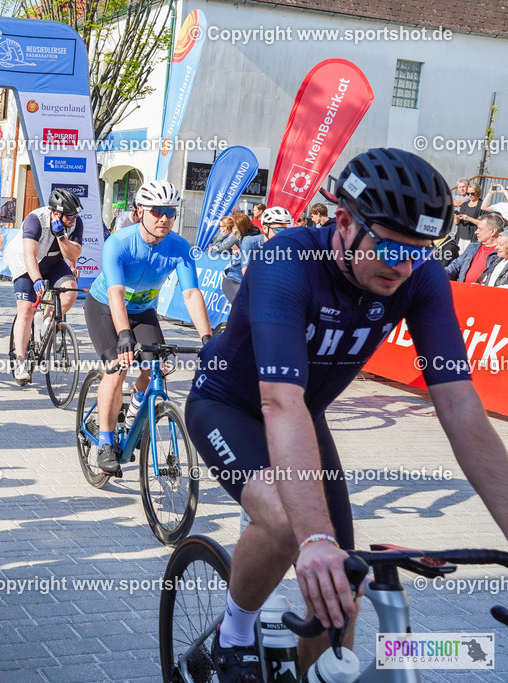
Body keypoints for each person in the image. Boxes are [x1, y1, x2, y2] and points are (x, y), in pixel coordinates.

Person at [185, 148, 508, 682]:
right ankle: (234, 632)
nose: (404, 266)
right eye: (389, 247)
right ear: (343, 223)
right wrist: (314, 540)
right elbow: (279, 401)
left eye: (421, 251)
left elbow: (459, 406)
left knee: (342, 587)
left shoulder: (418, 276)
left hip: (302, 412)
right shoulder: (287, 261)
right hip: (229, 405)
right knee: (292, 525)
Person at [85, 180, 212, 474]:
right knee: (117, 366)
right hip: (104, 306)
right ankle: (105, 442)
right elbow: (116, 294)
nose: (164, 218)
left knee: (158, 367)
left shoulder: (180, 247)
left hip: (142, 310)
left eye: (170, 212)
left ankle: (132, 418)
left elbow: (191, 294)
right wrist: (125, 335)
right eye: (156, 211)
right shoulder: (119, 242)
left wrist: (207, 337)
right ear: (140, 211)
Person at [6, 188, 84, 385]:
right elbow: (29, 255)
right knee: (26, 310)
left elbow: (73, 255)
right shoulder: (36, 219)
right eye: (70, 215)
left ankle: (46, 319)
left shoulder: (74, 223)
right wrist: (37, 280)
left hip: (53, 261)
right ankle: (21, 361)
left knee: (70, 290)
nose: (73, 219)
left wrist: (62, 236)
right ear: (56, 213)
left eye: (75, 215)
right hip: (25, 263)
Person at [446, 213, 504, 284]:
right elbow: (456, 264)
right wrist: (440, 274)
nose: (476, 232)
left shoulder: (503, 252)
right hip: (463, 290)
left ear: (493, 231)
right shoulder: (473, 246)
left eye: (480, 229)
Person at [219, 212, 254, 302]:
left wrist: (239, 254)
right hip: (237, 278)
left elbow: (216, 249)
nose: (233, 227)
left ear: (240, 226)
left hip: (238, 278)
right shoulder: (243, 236)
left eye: (234, 225)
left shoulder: (241, 238)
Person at [454, 182, 484, 247]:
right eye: (468, 193)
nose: (470, 195)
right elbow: (457, 223)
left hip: (473, 238)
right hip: (460, 237)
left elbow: (483, 223)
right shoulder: (464, 205)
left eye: (472, 193)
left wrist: (468, 218)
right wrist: (456, 217)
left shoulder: (482, 206)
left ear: (478, 193)